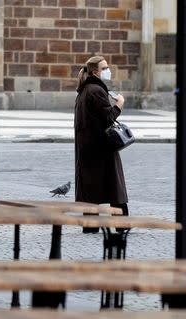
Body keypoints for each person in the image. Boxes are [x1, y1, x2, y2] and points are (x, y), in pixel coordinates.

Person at [74, 55, 127, 233]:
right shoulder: (95, 90)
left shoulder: (85, 90)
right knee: (115, 186)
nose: (108, 70)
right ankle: (121, 224)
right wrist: (119, 104)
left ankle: (91, 226)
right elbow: (108, 117)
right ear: (95, 72)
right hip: (101, 147)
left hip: (89, 147)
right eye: (104, 68)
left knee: (90, 188)